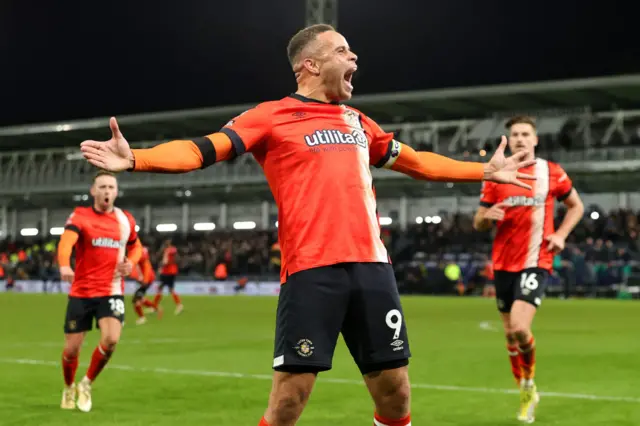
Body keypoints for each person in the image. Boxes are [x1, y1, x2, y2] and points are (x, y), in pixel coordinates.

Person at [80, 24, 536, 426]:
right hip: (311, 273)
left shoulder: (359, 122)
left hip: (373, 269)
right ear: (310, 65)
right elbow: (202, 150)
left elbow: (417, 162)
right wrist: (137, 158)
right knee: (288, 402)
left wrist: (484, 171)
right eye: (343, 51)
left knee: (396, 394)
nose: (354, 58)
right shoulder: (272, 116)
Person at [473, 115, 584, 423]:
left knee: (521, 328)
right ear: (508, 140)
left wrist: (561, 234)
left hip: (536, 260)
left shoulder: (552, 172)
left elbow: (577, 205)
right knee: (510, 335)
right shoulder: (496, 174)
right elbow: (478, 220)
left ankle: (529, 383)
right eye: (515, 134)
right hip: (503, 264)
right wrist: (487, 217)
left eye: (525, 134)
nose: (521, 138)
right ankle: (525, 392)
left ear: (535, 139)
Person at [58, 170, 142, 412]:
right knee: (71, 350)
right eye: (102, 187)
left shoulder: (125, 220)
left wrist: (132, 263)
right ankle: (68, 386)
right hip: (82, 292)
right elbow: (66, 242)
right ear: (93, 191)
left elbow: (137, 247)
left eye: (111, 187)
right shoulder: (81, 216)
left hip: (111, 290)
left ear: (116, 192)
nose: (107, 191)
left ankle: (86, 383)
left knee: (111, 339)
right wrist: (64, 264)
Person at [130, 244, 161, 324]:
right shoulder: (143, 260)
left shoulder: (144, 262)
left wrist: (144, 281)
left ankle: (143, 318)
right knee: (140, 298)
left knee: (137, 299)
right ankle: (156, 308)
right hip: (147, 280)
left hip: (147, 281)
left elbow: (145, 271)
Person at [152, 239, 183, 315]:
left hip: (167, 272)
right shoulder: (173, 250)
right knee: (167, 288)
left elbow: (165, 261)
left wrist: (160, 268)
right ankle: (154, 306)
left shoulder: (167, 250)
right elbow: (176, 258)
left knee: (164, 288)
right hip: (172, 271)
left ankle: (179, 305)